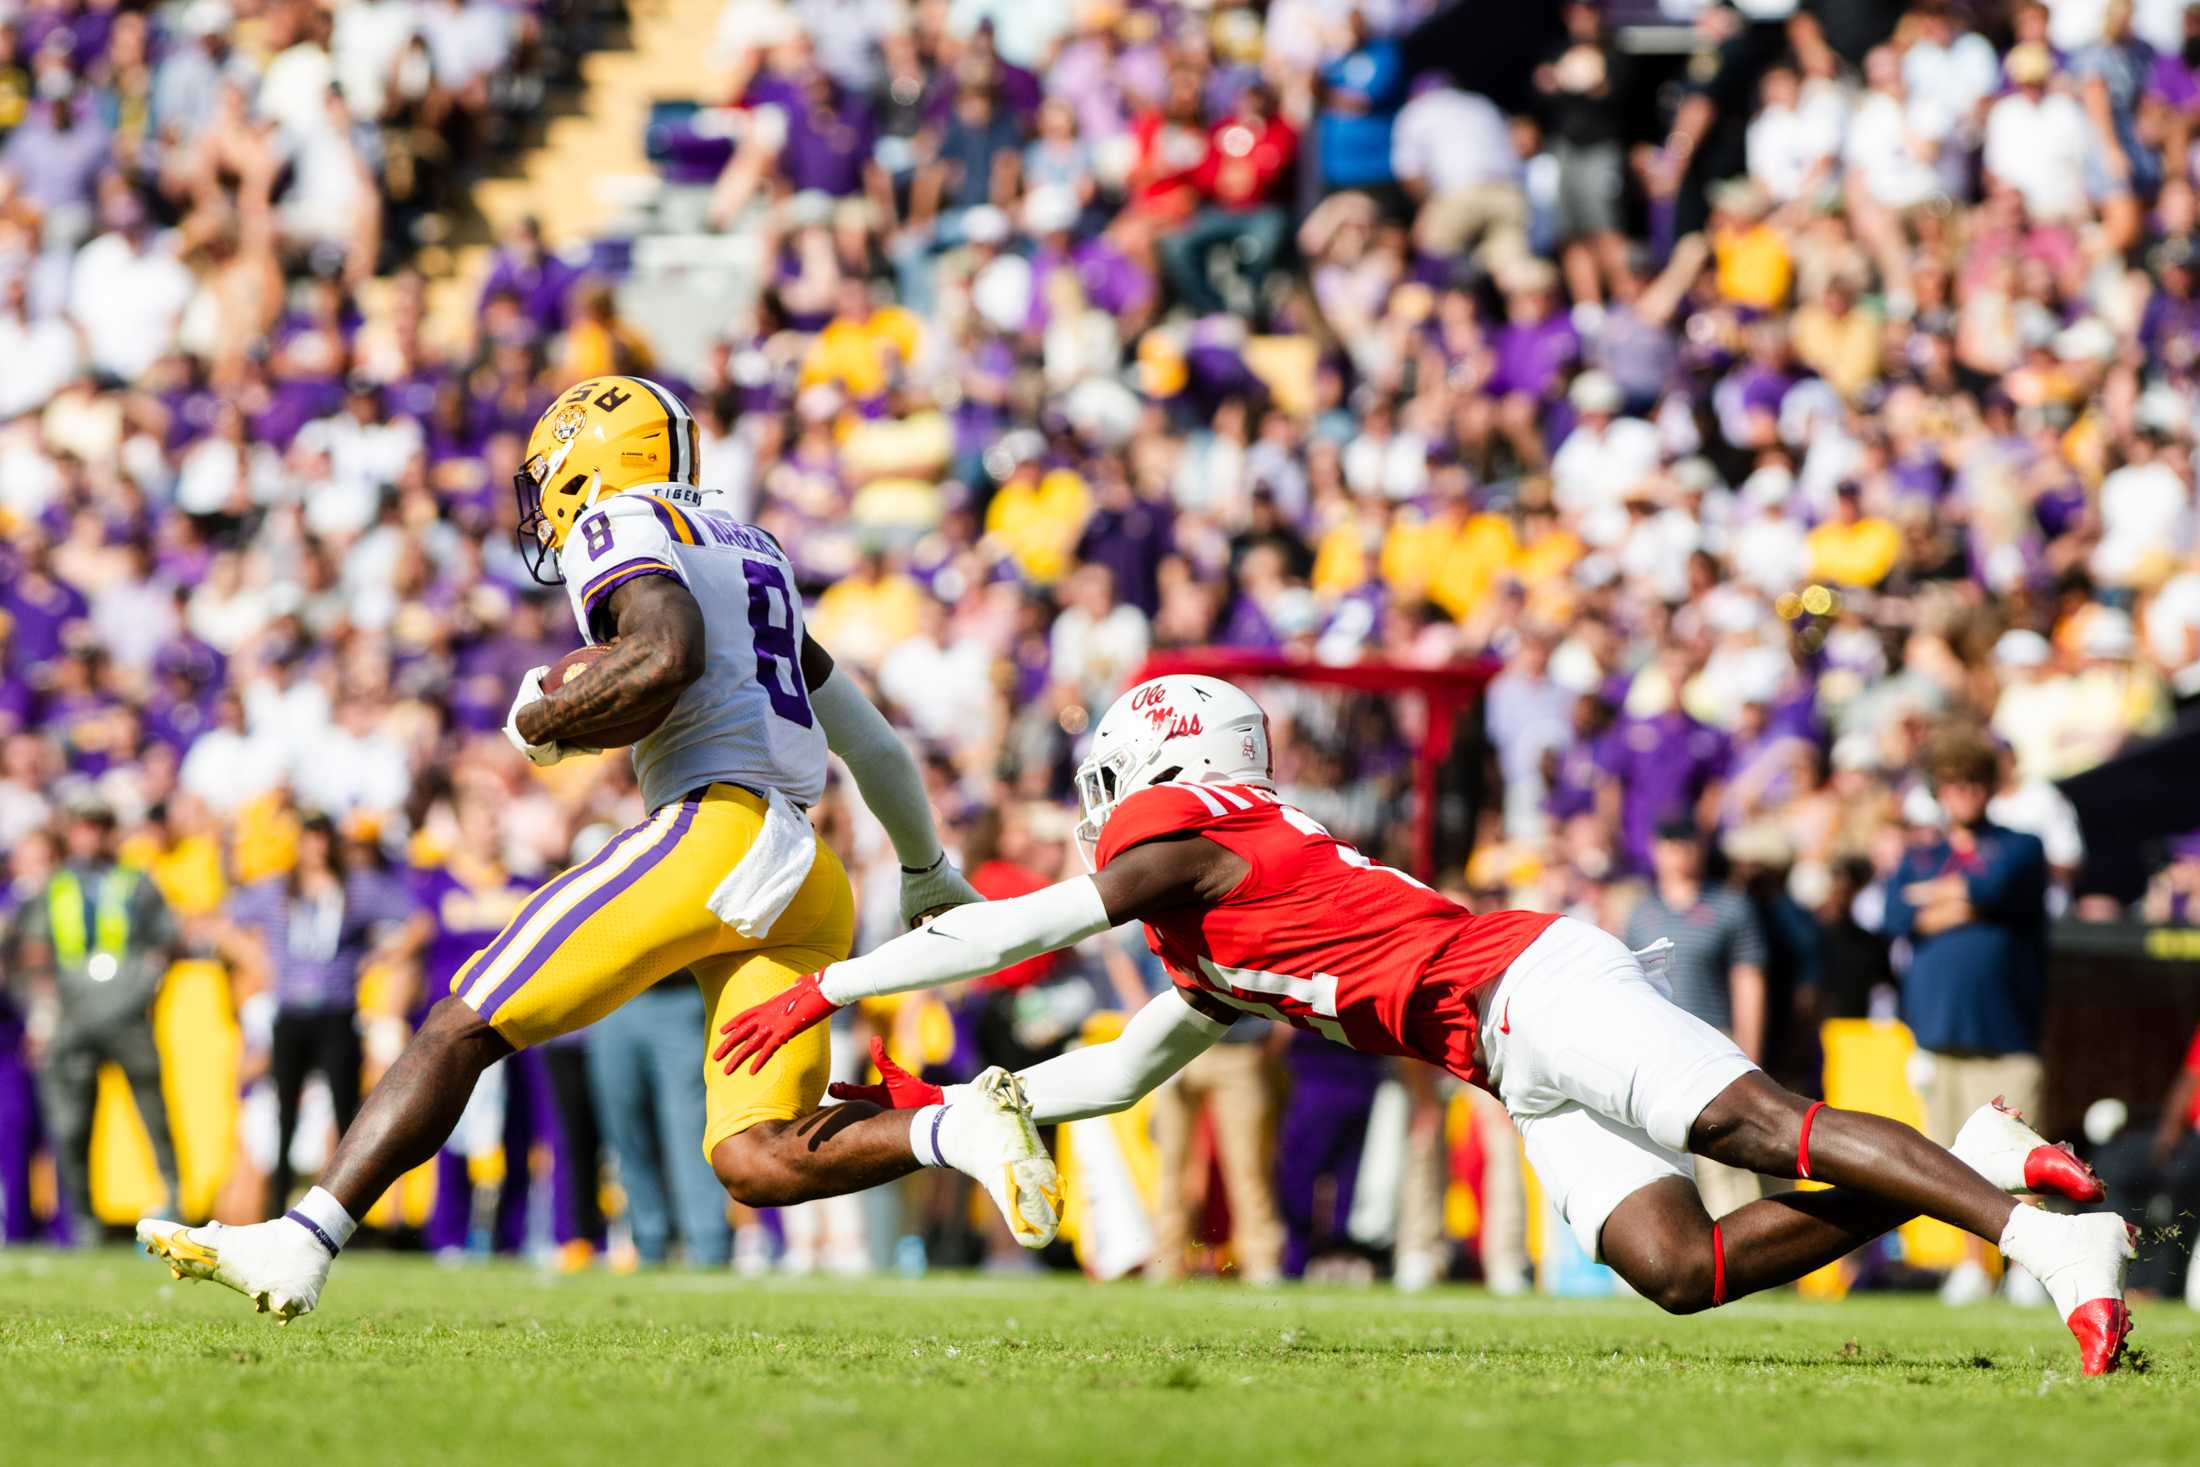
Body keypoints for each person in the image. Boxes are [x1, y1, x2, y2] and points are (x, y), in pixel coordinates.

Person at [721, 675, 2137, 1375]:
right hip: (1507, 1052)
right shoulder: (1205, 921)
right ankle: (1971, 1160)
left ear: (1152, 761)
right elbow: (1120, 1067)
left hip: (1536, 982)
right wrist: (969, 1104)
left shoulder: (1188, 828)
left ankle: (2039, 1236)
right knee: (1679, 1262)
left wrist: (832, 983)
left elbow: (1031, 922)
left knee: (1753, 1123)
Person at [137, 378, 1052, 1319]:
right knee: (758, 1154)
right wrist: (926, 868)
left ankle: (302, 1241)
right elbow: (871, 740)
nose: (551, 499)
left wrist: (549, 714)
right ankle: (954, 1126)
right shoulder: (754, 551)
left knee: (465, 1020)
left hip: (717, 829)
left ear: (600, 456)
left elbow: (666, 654)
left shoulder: (622, 519)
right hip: (805, 872)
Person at [1882, 727, 2054, 1304]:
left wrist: (1937, 898)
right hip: (1938, 1030)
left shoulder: (2021, 845)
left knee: (2024, 1157)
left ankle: (2030, 1268)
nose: (1964, 794)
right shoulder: (1920, 853)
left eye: (1974, 782)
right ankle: (1974, 1267)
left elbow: (1994, 884)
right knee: (1953, 1163)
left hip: (2005, 1030)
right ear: (1939, 789)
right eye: (1953, 784)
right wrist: (1962, 900)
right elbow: (1894, 912)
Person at [225, 814, 416, 1218]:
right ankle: (277, 1210)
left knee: (346, 1116)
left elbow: (417, 921)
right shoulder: (278, 889)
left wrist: (380, 956)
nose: (317, 850)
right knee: (284, 1115)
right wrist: (256, 958)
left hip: (336, 1011)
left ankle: (344, 1213)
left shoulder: (357, 888)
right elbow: (224, 922)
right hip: (291, 1011)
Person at [15, 792, 183, 1241]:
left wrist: (147, 984)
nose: (91, 834)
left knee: (154, 1116)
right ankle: (83, 1223)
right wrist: (44, 1011)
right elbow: (34, 951)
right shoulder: (55, 886)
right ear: (70, 832)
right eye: (83, 825)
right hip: (73, 1018)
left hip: (128, 1016)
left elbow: (167, 939)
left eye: (100, 825)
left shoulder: (137, 882)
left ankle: (172, 1210)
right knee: (71, 1125)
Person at [1624, 820, 1769, 1219]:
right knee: (1665, 1160)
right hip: (1658, 1046)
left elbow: (1748, 982)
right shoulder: (1642, 912)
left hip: (1712, 1041)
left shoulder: (1729, 905)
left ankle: (1744, 1260)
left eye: (1685, 842)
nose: (1678, 852)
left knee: (1723, 1159)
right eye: (1670, 842)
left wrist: (1747, 1053)